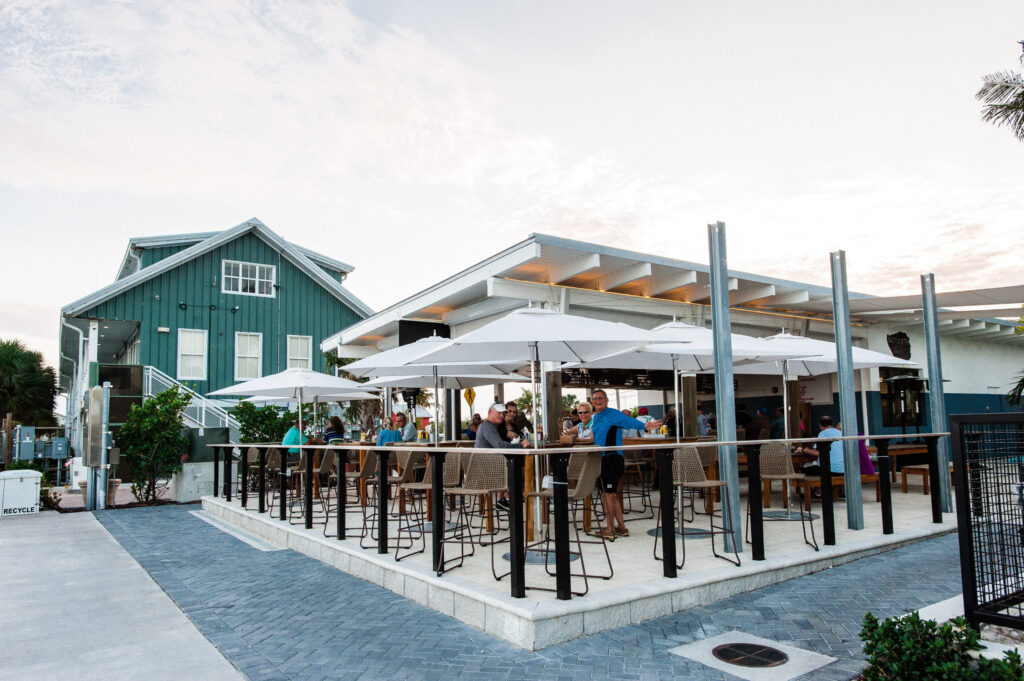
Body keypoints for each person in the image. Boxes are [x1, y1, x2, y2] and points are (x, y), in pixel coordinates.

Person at [589, 389, 662, 540]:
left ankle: (610, 530)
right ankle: (622, 528)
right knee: (609, 494)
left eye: (600, 398)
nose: (597, 401)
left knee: (607, 495)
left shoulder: (613, 414)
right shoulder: (596, 417)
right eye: (594, 399)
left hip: (611, 458)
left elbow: (629, 422)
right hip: (602, 459)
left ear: (607, 400)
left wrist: (645, 426)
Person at [798, 416, 845, 496]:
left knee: (802, 470)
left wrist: (804, 450)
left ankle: (816, 493)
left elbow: (818, 453)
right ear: (832, 424)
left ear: (820, 425)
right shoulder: (840, 433)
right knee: (815, 468)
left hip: (829, 470)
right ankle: (822, 491)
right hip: (843, 469)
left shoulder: (823, 433)